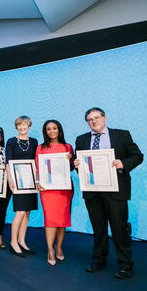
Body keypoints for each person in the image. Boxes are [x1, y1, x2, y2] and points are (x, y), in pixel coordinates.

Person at [74, 107, 143, 279]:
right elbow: (81, 166)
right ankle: (98, 260)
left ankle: (126, 265)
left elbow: (138, 156)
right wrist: (77, 165)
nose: (94, 121)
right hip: (93, 192)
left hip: (116, 191)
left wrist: (123, 163)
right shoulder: (81, 140)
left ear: (104, 118)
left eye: (97, 117)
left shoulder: (122, 135)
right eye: (90, 119)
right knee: (98, 229)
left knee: (120, 229)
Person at [34, 120, 74, 265]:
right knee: (50, 220)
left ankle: (59, 247)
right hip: (47, 189)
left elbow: (70, 168)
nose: (52, 131)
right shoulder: (40, 148)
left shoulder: (68, 147)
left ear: (59, 129)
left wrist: (70, 160)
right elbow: (38, 168)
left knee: (62, 221)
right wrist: (38, 183)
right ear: (45, 132)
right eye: (48, 129)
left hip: (64, 189)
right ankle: (50, 249)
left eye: (54, 128)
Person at [5, 116, 38, 258]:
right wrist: (10, 180)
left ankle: (22, 241)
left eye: (25, 125)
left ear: (29, 126)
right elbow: (7, 162)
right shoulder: (11, 141)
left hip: (31, 182)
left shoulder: (34, 142)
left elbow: (37, 161)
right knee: (20, 212)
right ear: (16, 127)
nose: (22, 127)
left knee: (27, 212)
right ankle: (13, 242)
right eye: (19, 125)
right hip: (17, 182)